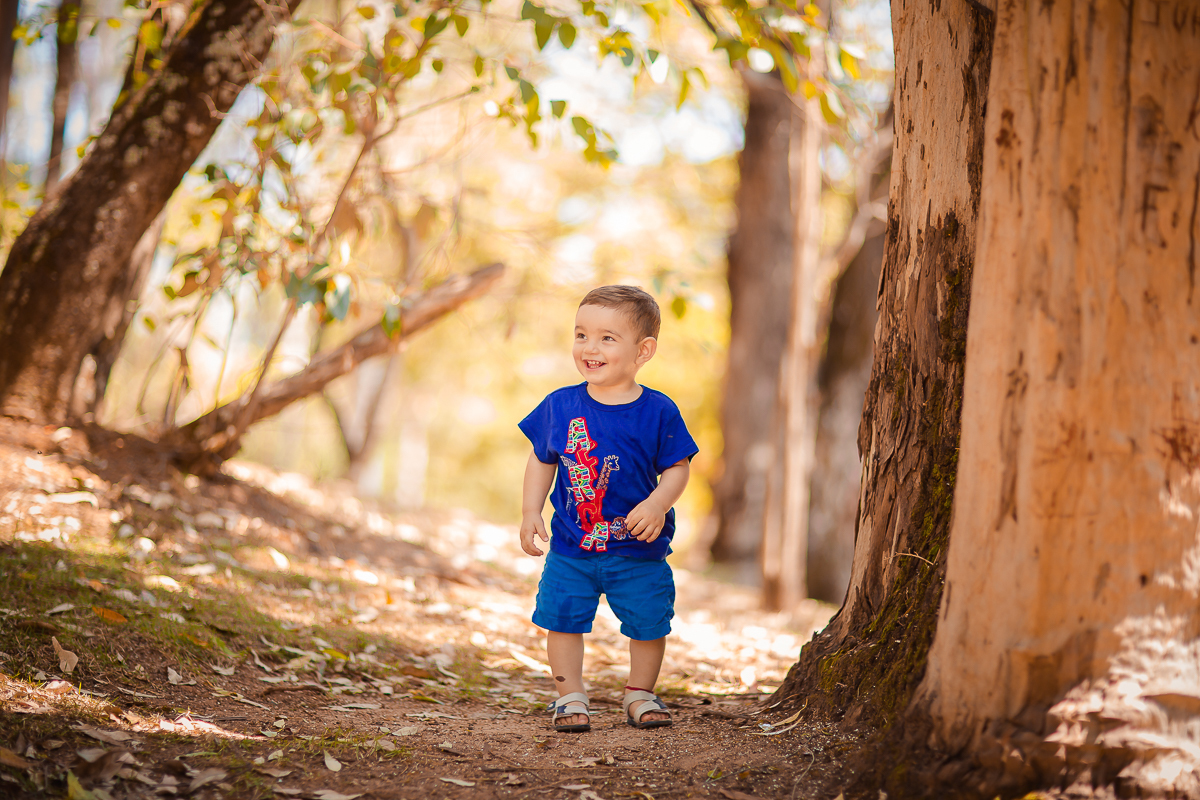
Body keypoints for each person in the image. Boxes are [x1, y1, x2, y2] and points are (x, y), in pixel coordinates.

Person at [518, 285, 698, 733]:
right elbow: (541, 459)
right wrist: (530, 510)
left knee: (649, 623)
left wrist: (657, 504)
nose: (589, 348)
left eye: (607, 338)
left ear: (643, 351)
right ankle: (570, 695)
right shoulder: (561, 405)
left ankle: (640, 693)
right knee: (562, 619)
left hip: (638, 548)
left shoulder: (658, 411)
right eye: (581, 335)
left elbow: (678, 468)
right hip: (571, 547)